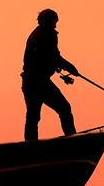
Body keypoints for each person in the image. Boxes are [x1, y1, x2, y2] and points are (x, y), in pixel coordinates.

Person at [21, 8, 79, 140]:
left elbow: (45, 58)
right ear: (50, 21)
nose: (56, 25)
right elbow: (55, 56)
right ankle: (72, 139)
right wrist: (71, 69)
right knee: (64, 108)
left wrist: (57, 67)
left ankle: (30, 145)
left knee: (33, 116)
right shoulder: (48, 34)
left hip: (29, 82)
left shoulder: (35, 34)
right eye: (55, 22)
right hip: (40, 82)